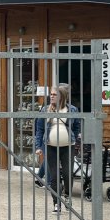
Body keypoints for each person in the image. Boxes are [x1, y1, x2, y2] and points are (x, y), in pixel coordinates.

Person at [33, 83, 81, 212]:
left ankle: (67, 197)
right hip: (50, 147)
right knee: (54, 177)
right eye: (51, 94)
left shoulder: (72, 110)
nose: (51, 96)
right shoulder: (45, 110)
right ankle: (56, 203)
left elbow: (77, 127)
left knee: (67, 174)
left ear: (62, 96)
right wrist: (38, 146)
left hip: (68, 147)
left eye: (54, 94)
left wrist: (73, 139)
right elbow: (39, 129)